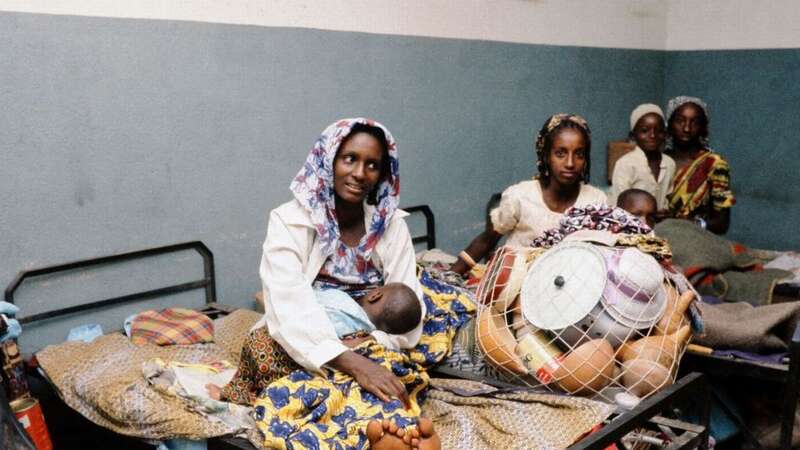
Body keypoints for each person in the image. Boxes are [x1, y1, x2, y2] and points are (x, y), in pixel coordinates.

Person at [219, 118, 437, 449]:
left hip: (371, 335)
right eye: (350, 158)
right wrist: (350, 360)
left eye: (372, 165)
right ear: (329, 159)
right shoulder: (289, 221)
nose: (360, 173)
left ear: (382, 173)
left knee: (393, 372)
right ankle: (371, 431)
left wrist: (365, 345)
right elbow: (288, 305)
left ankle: (390, 431)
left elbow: (408, 306)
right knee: (265, 352)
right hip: (308, 335)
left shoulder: (390, 225)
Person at [451, 114, 607, 275]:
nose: (570, 163)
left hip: (571, 289)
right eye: (560, 153)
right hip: (517, 288)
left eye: (579, 155)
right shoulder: (520, 197)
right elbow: (486, 240)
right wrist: (446, 277)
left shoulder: (595, 201)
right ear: (546, 156)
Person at [665, 96, 735, 234]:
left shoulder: (716, 164)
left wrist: (688, 223)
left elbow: (722, 224)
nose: (686, 128)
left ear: (703, 128)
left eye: (695, 122)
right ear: (669, 124)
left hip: (697, 241)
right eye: (680, 120)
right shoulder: (659, 160)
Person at [610, 103, 675, 219]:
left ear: (665, 135)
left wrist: (665, 212)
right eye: (645, 131)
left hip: (660, 224)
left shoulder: (669, 163)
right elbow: (618, 205)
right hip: (632, 225)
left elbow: (667, 198)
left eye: (659, 131)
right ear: (633, 136)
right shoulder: (625, 164)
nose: (652, 135)